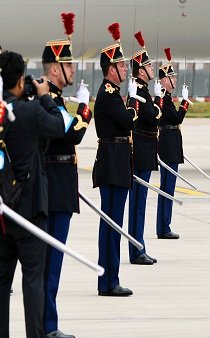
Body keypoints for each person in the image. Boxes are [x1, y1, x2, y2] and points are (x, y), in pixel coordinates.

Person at [0, 50, 65, 338]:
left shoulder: (4, 109)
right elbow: (60, 126)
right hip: (30, 208)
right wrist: (44, 96)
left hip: (4, 209)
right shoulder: (30, 111)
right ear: (20, 79)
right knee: (33, 280)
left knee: (2, 282)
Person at [42, 13, 92, 338]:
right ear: (54, 68)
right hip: (54, 190)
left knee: (51, 265)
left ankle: (46, 325)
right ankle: (47, 327)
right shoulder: (49, 101)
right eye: (69, 66)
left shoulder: (56, 100)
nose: (73, 71)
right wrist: (85, 111)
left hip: (60, 188)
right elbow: (72, 134)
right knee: (49, 266)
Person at [93, 22, 136, 297]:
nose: (125, 70)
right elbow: (127, 121)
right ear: (111, 69)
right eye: (121, 66)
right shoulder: (109, 95)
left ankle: (108, 278)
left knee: (112, 224)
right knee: (112, 224)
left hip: (115, 161)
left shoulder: (112, 93)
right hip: (113, 162)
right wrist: (133, 103)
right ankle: (109, 280)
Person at [127, 31, 161, 265]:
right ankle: (136, 249)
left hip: (145, 149)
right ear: (141, 70)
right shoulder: (138, 92)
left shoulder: (142, 90)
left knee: (141, 204)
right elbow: (153, 116)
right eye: (149, 66)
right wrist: (158, 101)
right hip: (140, 150)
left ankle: (139, 246)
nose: (152, 69)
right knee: (138, 204)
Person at [155, 48, 191, 240]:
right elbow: (177, 117)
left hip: (172, 143)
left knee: (168, 186)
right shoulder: (162, 98)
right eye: (172, 78)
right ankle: (163, 227)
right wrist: (185, 102)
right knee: (167, 187)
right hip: (168, 144)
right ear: (164, 80)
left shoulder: (166, 98)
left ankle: (165, 224)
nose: (175, 80)